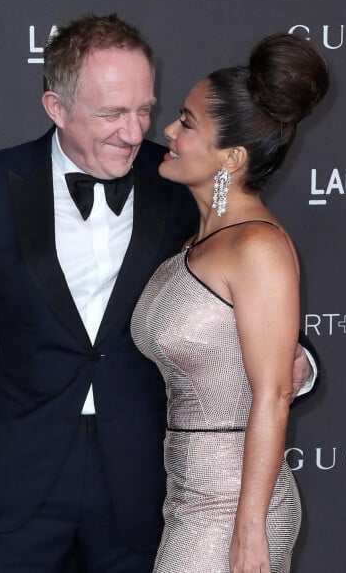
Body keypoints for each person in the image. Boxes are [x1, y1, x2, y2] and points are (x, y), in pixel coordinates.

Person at [0, 14, 318, 573]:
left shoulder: (181, 181)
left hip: (145, 481)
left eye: (145, 109)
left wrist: (297, 366)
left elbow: (256, 302)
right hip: (14, 473)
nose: (135, 133)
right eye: (111, 113)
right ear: (57, 108)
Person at [131, 33, 329, 573]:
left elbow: (272, 396)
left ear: (232, 157)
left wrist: (249, 532)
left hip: (235, 506)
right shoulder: (202, 243)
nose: (168, 131)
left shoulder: (257, 247)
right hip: (190, 495)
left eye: (188, 122)